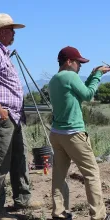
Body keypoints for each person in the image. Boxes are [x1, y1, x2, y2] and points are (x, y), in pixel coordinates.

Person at [0, 13, 40, 219]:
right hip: (2, 116)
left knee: (18, 160)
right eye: (11, 29)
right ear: (2, 31)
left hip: (11, 115)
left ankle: (21, 200)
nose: (14, 33)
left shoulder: (2, 53)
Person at [48, 46, 110, 220]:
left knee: (59, 175)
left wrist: (92, 75)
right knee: (91, 174)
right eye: (78, 62)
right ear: (69, 62)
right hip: (73, 133)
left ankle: (59, 213)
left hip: (57, 133)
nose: (80, 66)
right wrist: (98, 75)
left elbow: (80, 93)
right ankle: (98, 215)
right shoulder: (70, 76)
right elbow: (89, 95)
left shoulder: (55, 79)